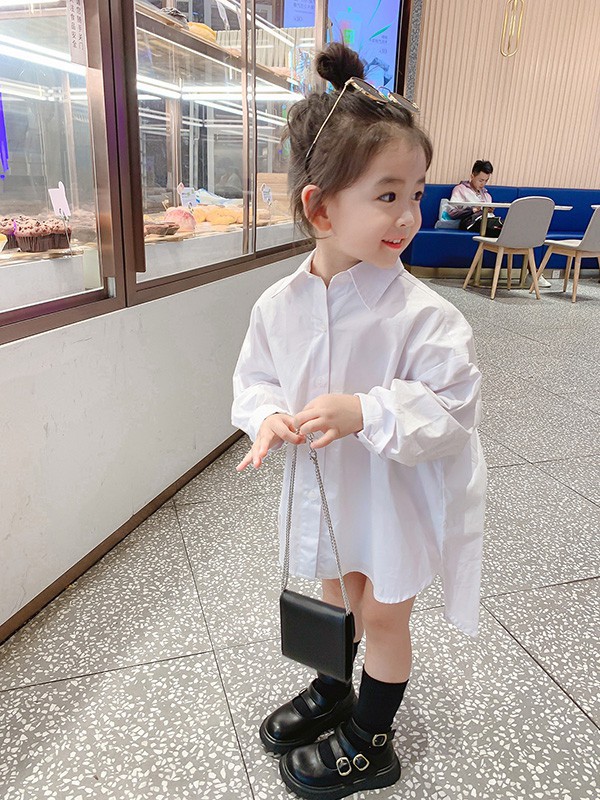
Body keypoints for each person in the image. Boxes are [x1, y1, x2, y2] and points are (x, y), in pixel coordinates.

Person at [231, 42, 486, 800]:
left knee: (382, 613)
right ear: (320, 207)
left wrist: (367, 410)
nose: (409, 216)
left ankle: (372, 737)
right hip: (330, 490)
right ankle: (333, 687)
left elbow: (452, 409)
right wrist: (267, 416)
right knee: (335, 591)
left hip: (393, 492)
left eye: (417, 194)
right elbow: (256, 378)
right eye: (387, 195)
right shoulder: (278, 304)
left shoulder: (424, 316)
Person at [447, 159, 503, 235]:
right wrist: (473, 210)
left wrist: (489, 210)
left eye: (486, 181)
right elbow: (452, 213)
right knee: (502, 229)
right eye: (481, 180)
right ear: (472, 176)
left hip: (489, 220)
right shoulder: (460, 190)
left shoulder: (487, 195)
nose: (483, 184)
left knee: (509, 225)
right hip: (472, 221)